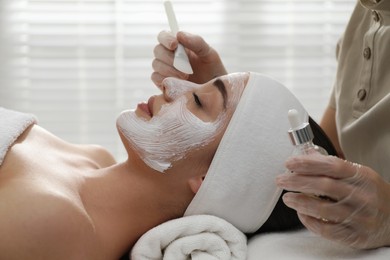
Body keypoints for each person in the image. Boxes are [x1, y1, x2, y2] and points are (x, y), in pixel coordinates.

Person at [151, 0, 390, 249]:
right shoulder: (366, 12)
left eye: (198, 100)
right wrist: (227, 110)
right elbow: (325, 155)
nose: (170, 88)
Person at [0, 72, 248, 259]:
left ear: (206, 179)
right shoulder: (96, 158)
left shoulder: (53, 223)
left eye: (198, 100)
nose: (170, 83)